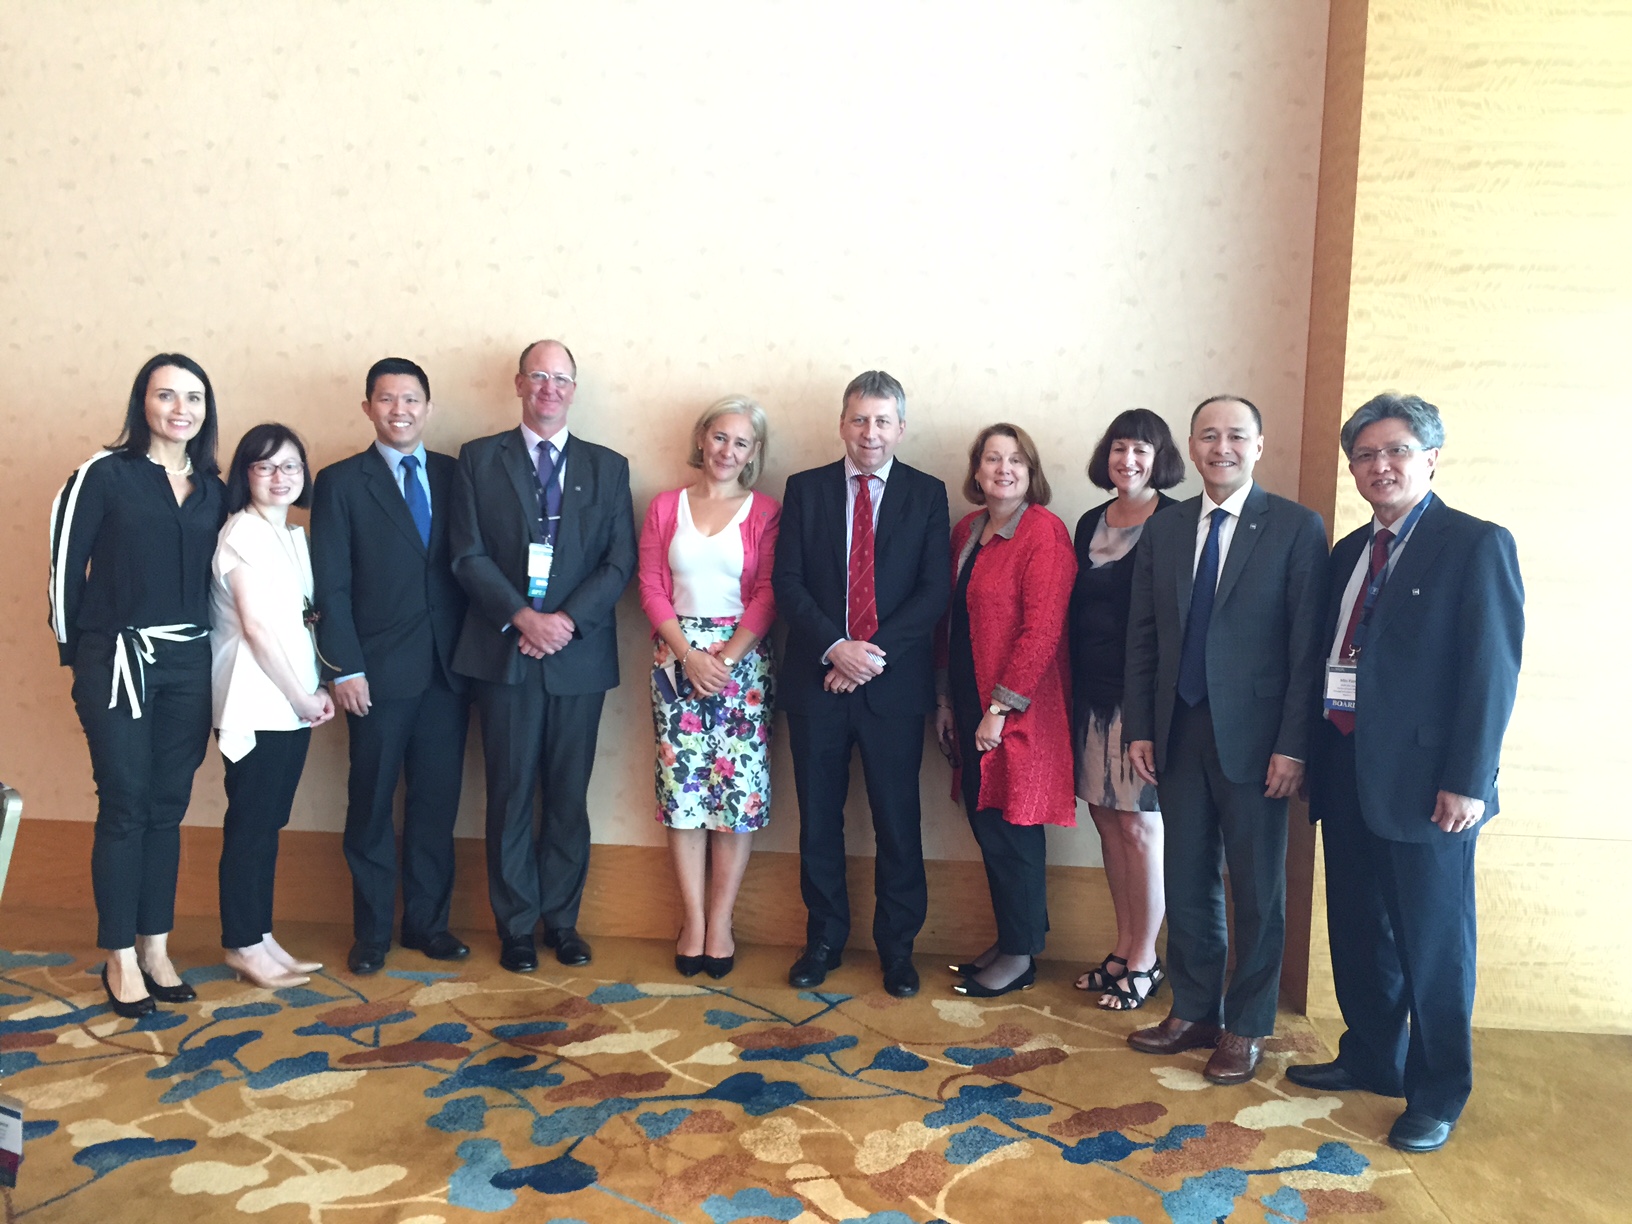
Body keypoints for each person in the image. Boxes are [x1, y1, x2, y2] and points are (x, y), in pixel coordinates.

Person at [1286, 394, 1523, 1153]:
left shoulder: (1475, 543)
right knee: (1359, 930)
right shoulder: (1350, 551)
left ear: (1430, 459)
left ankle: (1438, 1091)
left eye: (1395, 451)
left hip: (1430, 788)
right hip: (1346, 769)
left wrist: (1470, 780)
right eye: (1365, 455)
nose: (1379, 466)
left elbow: (1491, 674)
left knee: (1433, 946)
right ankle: (1370, 1055)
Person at [1122, 394, 1326, 1085]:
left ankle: (1247, 1024)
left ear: (1258, 446)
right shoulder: (1166, 527)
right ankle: (1194, 1010)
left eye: (1236, 436)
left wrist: (1294, 745)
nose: (1222, 448)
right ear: (1191, 445)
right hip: (1176, 732)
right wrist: (1140, 728)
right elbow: (1143, 637)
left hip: (1260, 742)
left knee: (1258, 888)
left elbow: (1306, 650)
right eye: (1208, 436)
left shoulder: (1295, 527)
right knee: (1187, 877)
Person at [449, 339, 637, 973]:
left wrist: (564, 623)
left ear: (574, 390)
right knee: (508, 795)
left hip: (577, 658)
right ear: (518, 384)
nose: (549, 388)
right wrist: (522, 617)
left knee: (567, 796)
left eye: (561, 378)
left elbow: (618, 562)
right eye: (538, 376)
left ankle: (562, 921)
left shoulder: (608, 467)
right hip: (503, 654)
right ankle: (516, 927)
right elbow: (466, 554)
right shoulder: (478, 459)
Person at [48, 354, 227, 1017]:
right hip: (116, 661)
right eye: (166, 395)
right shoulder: (103, 475)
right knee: (125, 802)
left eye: (194, 398)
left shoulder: (215, 489)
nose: (181, 409)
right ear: (142, 403)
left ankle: (156, 947)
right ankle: (119, 954)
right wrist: (80, 658)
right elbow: (64, 567)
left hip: (189, 664)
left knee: (167, 805)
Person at [772, 370, 951, 998]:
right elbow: (788, 582)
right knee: (818, 820)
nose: (869, 433)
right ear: (842, 424)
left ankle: (897, 949)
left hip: (892, 687)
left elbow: (934, 592)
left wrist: (869, 658)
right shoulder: (806, 488)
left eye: (881, 421)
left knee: (897, 821)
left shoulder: (927, 493)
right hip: (816, 681)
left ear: (900, 428)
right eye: (858, 420)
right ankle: (823, 940)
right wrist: (836, 649)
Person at [311, 358, 471, 976]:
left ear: (428, 408)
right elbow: (331, 584)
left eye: (410, 399)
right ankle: (372, 932)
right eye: (386, 399)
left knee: (436, 805)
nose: (399, 410)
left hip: (448, 672)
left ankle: (428, 924)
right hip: (374, 675)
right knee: (372, 803)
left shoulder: (456, 474)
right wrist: (344, 668)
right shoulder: (340, 482)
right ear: (368, 408)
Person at [637, 397, 780, 980]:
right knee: (684, 792)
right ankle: (691, 921)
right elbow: (650, 585)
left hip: (742, 665)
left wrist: (725, 659)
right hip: (676, 660)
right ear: (702, 439)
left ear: (753, 452)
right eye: (720, 437)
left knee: (735, 796)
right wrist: (688, 655)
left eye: (741, 442)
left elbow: (768, 591)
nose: (728, 450)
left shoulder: (765, 511)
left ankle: (721, 922)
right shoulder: (664, 506)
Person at [934, 424, 1077, 997]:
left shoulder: (1044, 531)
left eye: (1016, 460)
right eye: (992, 459)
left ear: (1030, 471)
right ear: (976, 470)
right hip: (968, 698)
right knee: (987, 824)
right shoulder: (967, 530)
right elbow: (951, 623)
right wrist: (947, 700)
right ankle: (1011, 939)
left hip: (1019, 709)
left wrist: (999, 708)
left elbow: (1042, 632)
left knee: (1014, 828)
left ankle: (1020, 956)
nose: (1003, 469)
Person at [210, 424, 335, 988]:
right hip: (255, 701)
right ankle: (241, 943)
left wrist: (315, 691)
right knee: (251, 825)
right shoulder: (243, 532)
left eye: (290, 465)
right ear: (246, 475)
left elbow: (301, 621)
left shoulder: (288, 533)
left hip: (290, 702)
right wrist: (301, 696)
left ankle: (259, 937)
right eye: (265, 466)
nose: (279, 477)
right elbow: (257, 629)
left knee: (267, 824)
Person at [1067, 409, 1183, 1010]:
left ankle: (1145, 959)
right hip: (1090, 695)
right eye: (1119, 448)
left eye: (1141, 450)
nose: (1128, 460)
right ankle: (1122, 948)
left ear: (1159, 458)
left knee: (1141, 827)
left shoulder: (1176, 521)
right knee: (1107, 822)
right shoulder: (1089, 520)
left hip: (1144, 703)